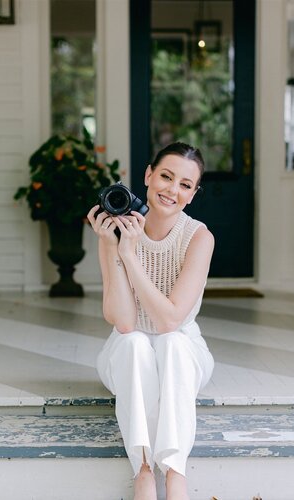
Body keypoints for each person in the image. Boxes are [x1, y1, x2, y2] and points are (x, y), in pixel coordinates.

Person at [87, 142, 215, 500]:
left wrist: (131, 257)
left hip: (184, 349)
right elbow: (125, 322)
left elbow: (171, 320)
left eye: (185, 185)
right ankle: (143, 470)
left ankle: (175, 474)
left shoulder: (199, 238)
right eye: (166, 176)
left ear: (192, 195)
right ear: (148, 175)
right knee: (133, 342)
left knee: (171, 342)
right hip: (126, 350)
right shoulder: (113, 233)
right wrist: (117, 248)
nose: (172, 190)